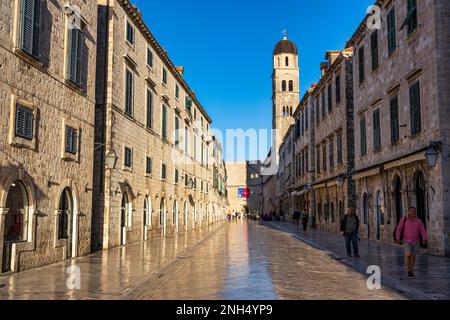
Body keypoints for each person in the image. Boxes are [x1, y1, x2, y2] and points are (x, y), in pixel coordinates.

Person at [395, 207, 427, 279]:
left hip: (416, 241)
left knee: (413, 257)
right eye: (411, 211)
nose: (413, 213)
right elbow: (398, 229)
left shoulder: (418, 221)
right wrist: (398, 238)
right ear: (408, 212)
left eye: (414, 211)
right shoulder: (403, 220)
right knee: (408, 255)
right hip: (406, 241)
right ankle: (409, 271)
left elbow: (423, 230)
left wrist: (424, 239)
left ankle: (411, 271)